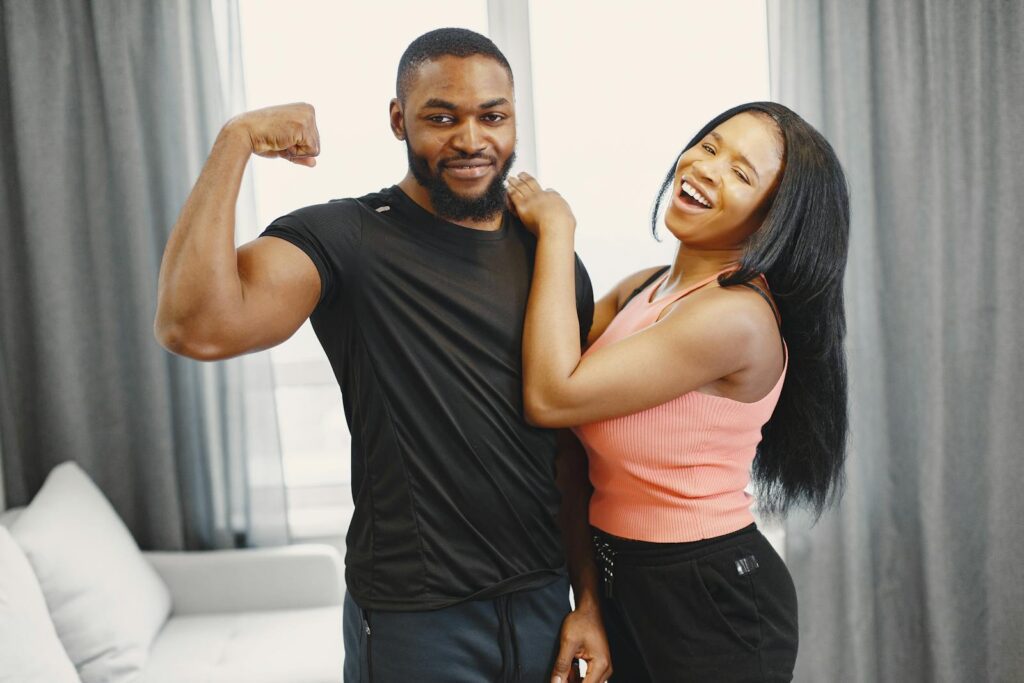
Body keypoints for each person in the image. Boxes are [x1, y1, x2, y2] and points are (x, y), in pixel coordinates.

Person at [154, 28, 612, 683]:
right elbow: (194, 326)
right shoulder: (347, 236)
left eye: (492, 116)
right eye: (442, 118)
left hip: (543, 604)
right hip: (417, 622)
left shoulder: (551, 258)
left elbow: (569, 448)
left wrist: (588, 598)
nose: (471, 139)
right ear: (399, 120)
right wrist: (235, 141)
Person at [508, 101, 850, 682]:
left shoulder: (736, 318)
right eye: (710, 146)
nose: (707, 169)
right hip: (623, 578)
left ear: (772, 220)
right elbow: (538, 361)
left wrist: (557, 230)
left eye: (741, 173)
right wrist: (589, 599)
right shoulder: (643, 289)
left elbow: (551, 396)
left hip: (710, 597)